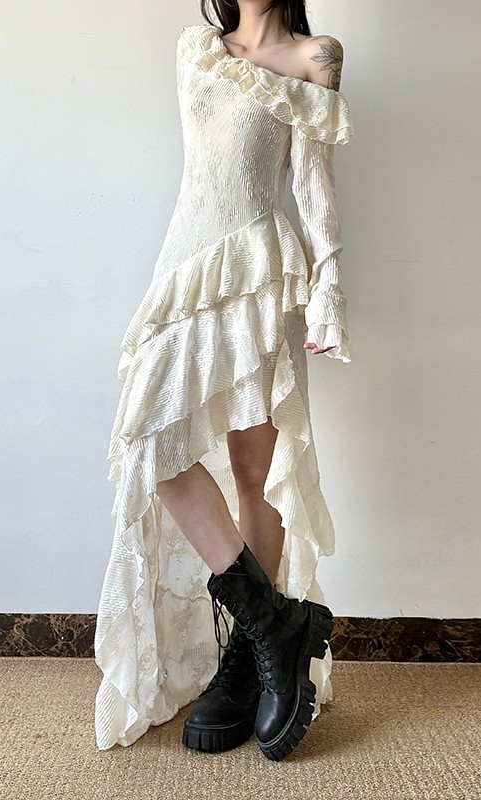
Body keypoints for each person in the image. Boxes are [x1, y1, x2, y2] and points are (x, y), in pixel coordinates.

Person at [94, 0, 354, 761]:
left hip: (262, 273)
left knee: (253, 469)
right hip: (187, 267)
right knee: (154, 447)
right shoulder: (196, 49)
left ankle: (248, 655)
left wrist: (329, 288)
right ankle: (276, 625)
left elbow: (313, 182)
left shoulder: (317, 56)